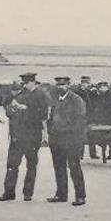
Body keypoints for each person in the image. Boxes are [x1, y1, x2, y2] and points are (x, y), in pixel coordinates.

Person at [0, 72, 48, 202]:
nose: (24, 86)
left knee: (31, 165)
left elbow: (43, 115)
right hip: (17, 136)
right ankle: (9, 192)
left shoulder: (41, 95)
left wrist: (25, 109)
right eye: (23, 83)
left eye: (26, 83)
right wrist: (12, 108)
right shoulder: (20, 94)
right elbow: (9, 111)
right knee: (11, 165)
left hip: (32, 137)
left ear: (33, 82)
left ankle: (28, 193)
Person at [47, 77, 87, 206]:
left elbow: (80, 120)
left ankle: (80, 196)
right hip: (56, 140)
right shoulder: (55, 100)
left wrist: (73, 136)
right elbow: (51, 118)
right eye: (58, 85)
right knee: (59, 167)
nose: (60, 87)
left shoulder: (76, 100)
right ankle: (61, 194)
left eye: (63, 85)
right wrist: (51, 133)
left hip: (71, 140)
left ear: (69, 85)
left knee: (74, 167)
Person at [90, 81, 111, 159]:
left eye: (101, 88)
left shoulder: (109, 96)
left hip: (110, 119)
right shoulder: (104, 95)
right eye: (100, 88)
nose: (100, 89)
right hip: (108, 120)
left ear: (105, 87)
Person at [73, 76, 98, 159]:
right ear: (82, 83)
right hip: (80, 116)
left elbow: (92, 103)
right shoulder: (77, 92)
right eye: (85, 83)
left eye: (88, 83)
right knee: (80, 136)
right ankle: (80, 154)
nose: (87, 85)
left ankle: (93, 154)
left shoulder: (90, 92)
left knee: (92, 135)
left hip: (89, 116)